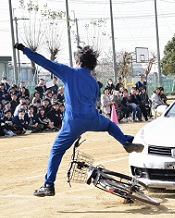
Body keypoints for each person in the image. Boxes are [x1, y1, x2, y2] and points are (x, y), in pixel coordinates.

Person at [15, 43, 144, 197]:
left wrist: (25, 50)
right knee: (109, 125)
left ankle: (48, 184)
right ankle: (125, 141)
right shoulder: (94, 83)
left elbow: (44, 62)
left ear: (79, 62)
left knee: (56, 150)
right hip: (92, 117)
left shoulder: (69, 72)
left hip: (73, 122)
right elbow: (91, 102)